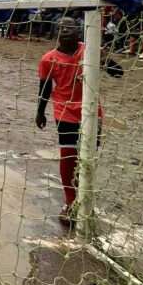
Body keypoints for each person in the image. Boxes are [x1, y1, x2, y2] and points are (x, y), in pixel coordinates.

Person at [35, 19, 122, 225]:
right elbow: (45, 88)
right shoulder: (48, 59)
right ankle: (70, 201)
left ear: (79, 31)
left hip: (91, 112)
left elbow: (118, 73)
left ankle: (85, 198)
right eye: (61, 27)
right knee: (68, 156)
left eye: (70, 27)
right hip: (64, 112)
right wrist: (39, 112)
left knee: (87, 156)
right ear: (56, 32)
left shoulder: (90, 51)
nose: (65, 30)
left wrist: (105, 58)